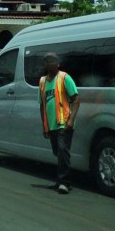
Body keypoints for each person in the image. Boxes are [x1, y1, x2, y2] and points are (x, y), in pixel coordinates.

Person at [38, 52, 80, 194]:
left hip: (64, 122)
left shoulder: (64, 78)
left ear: (58, 64)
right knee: (58, 152)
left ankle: (64, 183)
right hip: (51, 124)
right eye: (47, 61)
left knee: (62, 150)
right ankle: (61, 180)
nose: (51, 64)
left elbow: (76, 99)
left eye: (53, 61)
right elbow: (42, 105)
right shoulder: (43, 82)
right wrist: (45, 126)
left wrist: (71, 120)